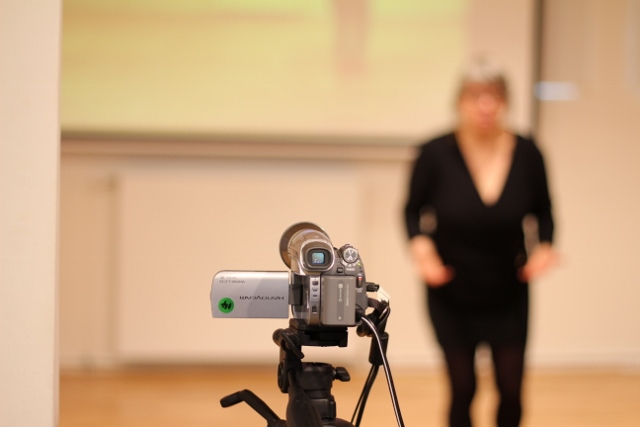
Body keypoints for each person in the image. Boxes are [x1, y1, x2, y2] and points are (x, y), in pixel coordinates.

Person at [404, 61, 557, 427]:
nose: (486, 105)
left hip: (508, 289)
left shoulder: (528, 153)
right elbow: (412, 212)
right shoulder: (434, 153)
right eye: (476, 96)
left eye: (495, 96)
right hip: (451, 288)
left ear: (506, 102)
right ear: (460, 102)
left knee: (510, 387)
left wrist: (545, 248)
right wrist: (422, 251)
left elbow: (545, 212)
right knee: (463, 387)